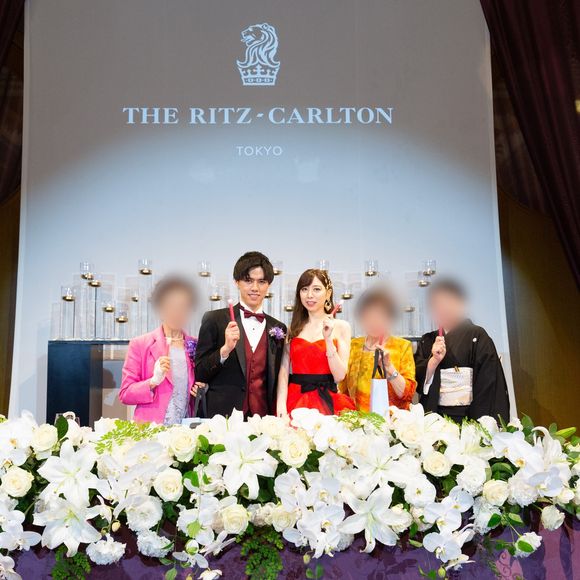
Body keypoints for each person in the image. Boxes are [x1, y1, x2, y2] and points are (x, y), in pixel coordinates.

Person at [195, 251, 287, 417]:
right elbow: (200, 372)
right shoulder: (214, 319)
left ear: (269, 285)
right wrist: (224, 350)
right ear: (236, 282)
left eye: (261, 281)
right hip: (223, 418)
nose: (255, 288)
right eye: (248, 280)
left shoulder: (278, 328)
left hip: (263, 418)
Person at [414, 278, 511, 422]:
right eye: (436, 304)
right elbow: (417, 382)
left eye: (447, 302)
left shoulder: (477, 336)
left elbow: (488, 385)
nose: (442, 309)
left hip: (467, 419)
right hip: (435, 420)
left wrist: (478, 426)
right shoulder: (427, 340)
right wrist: (433, 362)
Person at [119, 275, 203, 424]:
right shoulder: (140, 344)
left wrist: (201, 390)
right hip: (151, 429)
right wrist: (153, 381)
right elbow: (125, 394)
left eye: (183, 306)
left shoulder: (196, 345)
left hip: (185, 430)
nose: (177, 312)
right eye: (171, 306)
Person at [276, 269, 356, 417]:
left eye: (316, 289)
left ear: (328, 293)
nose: (309, 295)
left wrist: (328, 340)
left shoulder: (341, 327)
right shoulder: (292, 329)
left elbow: (339, 376)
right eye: (304, 289)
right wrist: (281, 406)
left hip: (328, 400)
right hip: (295, 400)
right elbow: (284, 371)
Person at [340, 285, 417, 410]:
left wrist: (389, 368)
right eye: (369, 315)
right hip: (357, 420)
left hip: (391, 420)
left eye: (380, 315)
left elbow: (407, 394)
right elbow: (343, 391)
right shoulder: (353, 346)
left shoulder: (402, 347)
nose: (374, 321)